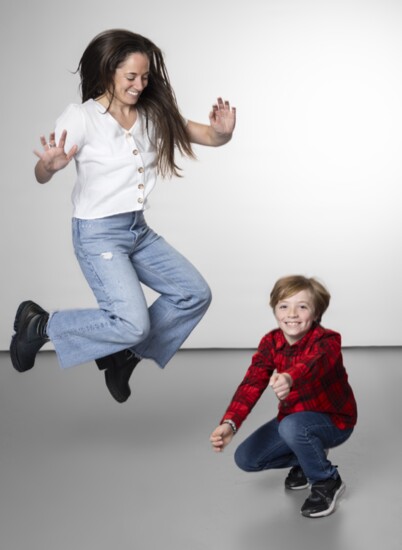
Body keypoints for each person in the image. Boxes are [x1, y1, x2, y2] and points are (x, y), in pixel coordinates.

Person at [10, 29, 236, 404]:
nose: (139, 84)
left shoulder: (152, 113)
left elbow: (208, 136)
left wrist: (222, 133)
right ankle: (40, 324)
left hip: (137, 231)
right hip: (97, 235)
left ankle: (126, 354)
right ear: (108, 71)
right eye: (131, 77)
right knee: (131, 322)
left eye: (145, 77)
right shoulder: (82, 117)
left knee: (193, 293)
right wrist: (49, 167)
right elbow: (41, 173)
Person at [210, 275, 357, 518]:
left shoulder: (328, 341)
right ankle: (307, 457)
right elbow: (252, 383)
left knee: (292, 426)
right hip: (295, 419)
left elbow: (314, 363)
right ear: (275, 310)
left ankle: (326, 480)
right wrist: (230, 422)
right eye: (283, 306)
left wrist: (289, 377)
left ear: (316, 312)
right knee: (246, 458)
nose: (292, 313)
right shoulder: (270, 342)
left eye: (302, 306)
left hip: (335, 421)